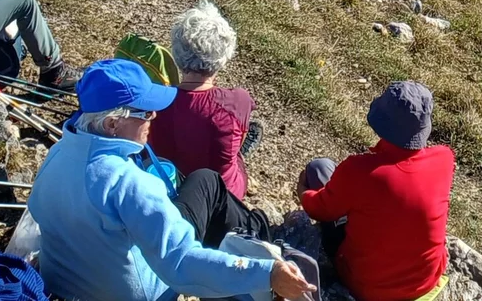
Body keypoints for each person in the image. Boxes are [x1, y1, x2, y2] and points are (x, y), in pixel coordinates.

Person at [29, 59, 312, 301]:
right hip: (135, 293)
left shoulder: (57, 154)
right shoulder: (129, 183)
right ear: (113, 124)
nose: (154, 116)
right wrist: (266, 274)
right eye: (145, 112)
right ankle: (267, 245)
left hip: (65, 284)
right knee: (207, 183)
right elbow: (180, 263)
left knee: (203, 183)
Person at [299, 80, 455, 301]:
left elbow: (319, 209)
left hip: (368, 286)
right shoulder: (444, 159)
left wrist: (303, 193)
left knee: (320, 168)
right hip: (426, 281)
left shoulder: (361, 170)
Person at [148, 0, 255, 199]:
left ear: (177, 52)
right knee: (236, 149)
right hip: (222, 195)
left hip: (168, 185)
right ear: (224, 53)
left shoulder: (156, 100)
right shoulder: (237, 101)